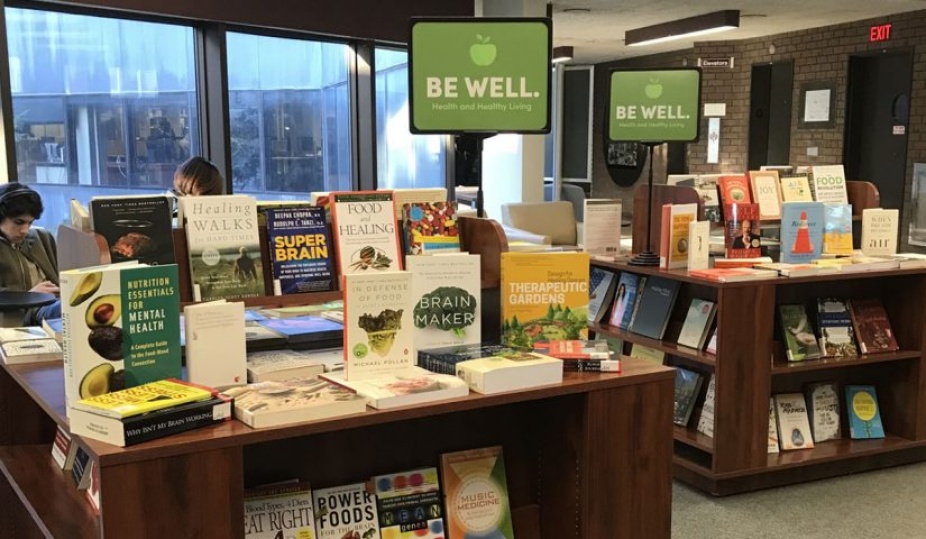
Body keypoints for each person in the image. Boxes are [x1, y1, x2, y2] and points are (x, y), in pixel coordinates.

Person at [0, 183, 61, 325]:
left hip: (51, 304)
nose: (25, 230)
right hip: (18, 315)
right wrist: (31, 296)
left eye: (30, 223)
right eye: (18, 222)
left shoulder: (42, 237)